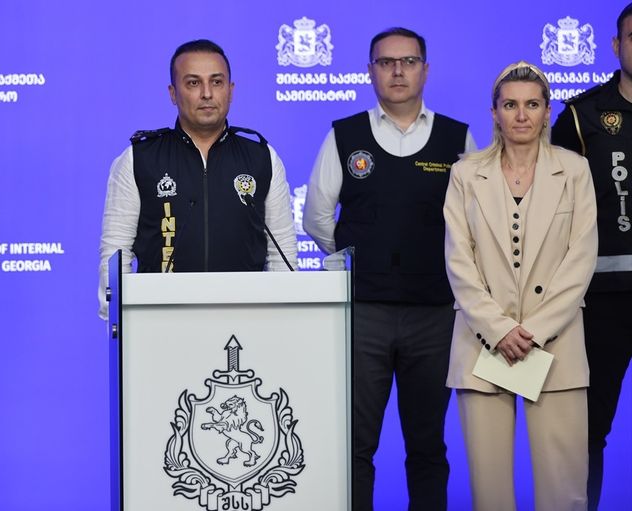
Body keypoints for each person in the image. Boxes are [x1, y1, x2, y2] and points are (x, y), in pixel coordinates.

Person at [303, 27, 476, 510]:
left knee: (428, 445)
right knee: (356, 444)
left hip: (435, 314)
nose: (398, 71)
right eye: (386, 62)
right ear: (370, 71)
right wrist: (362, 255)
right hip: (365, 313)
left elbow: (476, 222)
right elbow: (316, 217)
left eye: (408, 61)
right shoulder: (345, 135)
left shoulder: (457, 137)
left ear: (425, 70)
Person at [444, 61, 597, 511]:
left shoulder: (575, 170)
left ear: (547, 111)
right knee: (489, 493)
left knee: (564, 491)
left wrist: (534, 331)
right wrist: (499, 330)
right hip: (481, 346)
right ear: (494, 112)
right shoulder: (466, 174)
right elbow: (459, 261)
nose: (522, 115)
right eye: (510, 105)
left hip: (557, 345)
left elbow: (581, 258)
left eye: (532, 104)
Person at [98, 39, 297, 317]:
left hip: (246, 320)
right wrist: (118, 322)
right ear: (173, 93)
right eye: (193, 83)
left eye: (216, 82)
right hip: (160, 321)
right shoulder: (138, 159)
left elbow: (282, 254)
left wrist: (286, 317)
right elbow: (115, 252)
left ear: (230, 90)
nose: (206, 93)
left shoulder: (262, 158)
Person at [550, 4, 632, 509]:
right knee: (588, 428)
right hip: (604, 301)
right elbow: (550, 206)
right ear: (616, 45)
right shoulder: (581, 117)